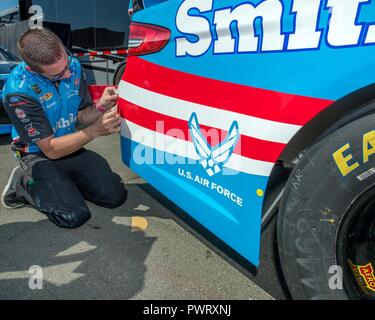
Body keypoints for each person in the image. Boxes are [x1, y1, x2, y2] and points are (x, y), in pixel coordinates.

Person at [1, 28, 128, 229]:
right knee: (72, 216)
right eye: (60, 74)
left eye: (67, 63)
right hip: (38, 154)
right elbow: (50, 149)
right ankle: (21, 184)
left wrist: (100, 107)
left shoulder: (73, 66)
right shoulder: (19, 92)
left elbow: (79, 117)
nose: (69, 73)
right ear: (33, 70)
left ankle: (62, 184)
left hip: (70, 145)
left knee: (115, 196)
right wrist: (95, 130)